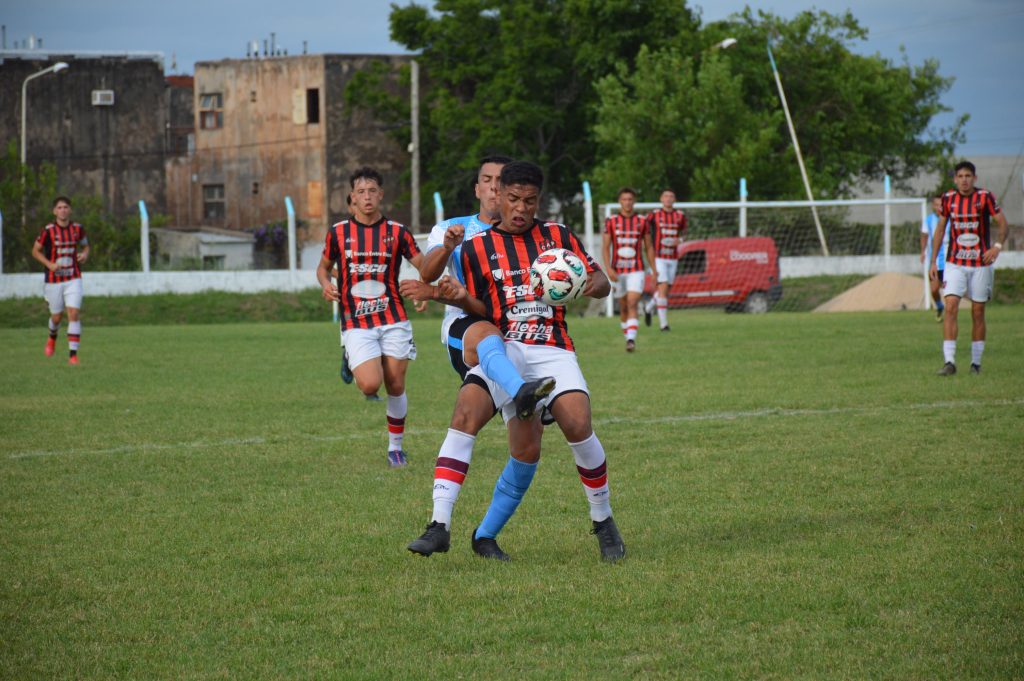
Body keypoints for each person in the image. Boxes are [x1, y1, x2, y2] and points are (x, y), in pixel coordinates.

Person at [436, 160, 625, 563]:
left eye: (530, 201)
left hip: (553, 346)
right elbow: (479, 308)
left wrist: (586, 283)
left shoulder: (559, 236)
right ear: (499, 196)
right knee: (502, 435)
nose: (521, 208)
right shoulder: (475, 249)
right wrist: (456, 297)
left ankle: (603, 519)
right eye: (514, 199)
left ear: (539, 201)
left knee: (578, 423)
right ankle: (450, 527)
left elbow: (603, 282)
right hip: (506, 349)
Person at [401, 156, 555, 557]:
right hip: (467, 330)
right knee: (485, 338)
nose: (493, 187)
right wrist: (446, 252)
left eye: (500, 181)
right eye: (487, 180)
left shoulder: (536, 235)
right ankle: (438, 523)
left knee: (527, 448)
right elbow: (427, 272)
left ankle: (484, 536)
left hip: (520, 337)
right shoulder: (454, 228)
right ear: (479, 188)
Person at [316, 167, 427, 466]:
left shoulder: (398, 232)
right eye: (361, 192)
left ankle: (395, 449)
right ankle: (352, 356)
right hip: (356, 320)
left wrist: (424, 289)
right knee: (369, 385)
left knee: (396, 385)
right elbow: (323, 268)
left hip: (393, 317)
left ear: (381, 195)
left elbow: (424, 265)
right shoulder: (339, 232)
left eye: (372, 191)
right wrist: (326, 285)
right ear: (352, 197)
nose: (367, 197)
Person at [931, 161, 1009, 376]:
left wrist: (997, 247)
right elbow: (940, 230)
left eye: (968, 176)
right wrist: (933, 261)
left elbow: (1003, 223)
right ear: (955, 179)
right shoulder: (948, 199)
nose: (964, 180)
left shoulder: (985, 197)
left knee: (978, 311)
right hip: (954, 262)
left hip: (981, 263)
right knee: (950, 306)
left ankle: (976, 363)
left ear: (974, 178)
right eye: (960, 176)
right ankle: (949, 362)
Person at [31, 196, 89, 365]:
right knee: (56, 317)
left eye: (65, 207)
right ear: (54, 211)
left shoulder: (78, 229)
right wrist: (49, 264)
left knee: (73, 313)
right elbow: (35, 251)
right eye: (59, 207)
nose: (63, 210)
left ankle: (73, 355)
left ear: (70, 210)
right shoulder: (47, 231)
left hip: (73, 278)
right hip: (53, 280)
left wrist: (85, 254)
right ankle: (52, 337)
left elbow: (86, 245)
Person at [602, 187, 656, 352]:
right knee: (624, 306)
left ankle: (631, 340)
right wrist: (608, 269)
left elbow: (649, 247)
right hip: (618, 271)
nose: (627, 202)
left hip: (636, 269)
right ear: (620, 202)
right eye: (624, 199)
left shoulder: (642, 221)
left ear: (634, 201)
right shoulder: (611, 221)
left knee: (633, 303)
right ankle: (628, 336)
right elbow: (605, 247)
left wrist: (654, 270)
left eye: (630, 199)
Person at [643, 189, 687, 331]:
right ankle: (664, 325)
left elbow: (684, 232)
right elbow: (642, 227)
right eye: (666, 196)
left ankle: (649, 307)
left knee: (666, 290)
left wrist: (680, 240)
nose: (668, 198)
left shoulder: (680, 215)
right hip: (658, 257)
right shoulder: (654, 214)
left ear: (674, 199)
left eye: (671, 196)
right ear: (661, 199)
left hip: (673, 257)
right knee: (662, 289)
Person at [920, 194, 948, 322]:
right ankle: (939, 306)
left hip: (950, 261)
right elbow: (924, 236)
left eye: (941, 205)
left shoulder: (951, 219)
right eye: (936, 205)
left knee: (949, 291)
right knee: (934, 289)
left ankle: (950, 315)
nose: (938, 207)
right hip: (935, 261)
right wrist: (922, 252)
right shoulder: (929, 220)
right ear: (933, 206)